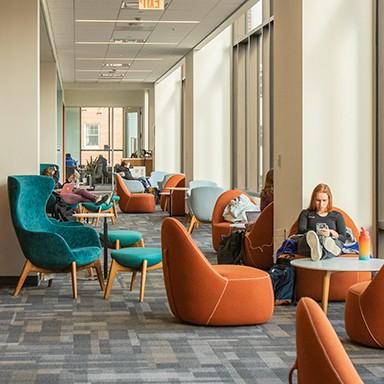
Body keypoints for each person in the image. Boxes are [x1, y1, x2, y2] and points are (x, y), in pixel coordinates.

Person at [296, 183, 346, 261]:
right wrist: (318, 233)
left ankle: (320, 252)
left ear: (329, 200)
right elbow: (301, 231)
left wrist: (330, 233)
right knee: (308, 237)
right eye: (318, 200)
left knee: (332, 242)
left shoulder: (337, 216)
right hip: (310, 243)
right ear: (313, 199)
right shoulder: (306, 213)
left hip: (330, 240)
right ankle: (322, 250)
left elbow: (343, 238)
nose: (321, 204)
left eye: (324, 200)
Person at [42, 167, 109, 206]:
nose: (54, 176)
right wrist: (58, 190)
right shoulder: (47, 182)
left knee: (81, 190)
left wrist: (68, 181)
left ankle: (96, 199)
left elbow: (62, 186)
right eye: (53, 174)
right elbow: (52, 190)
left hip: (65, 192)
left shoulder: (55, 181)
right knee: (80, 197)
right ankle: (98, 200)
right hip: (60, 196)